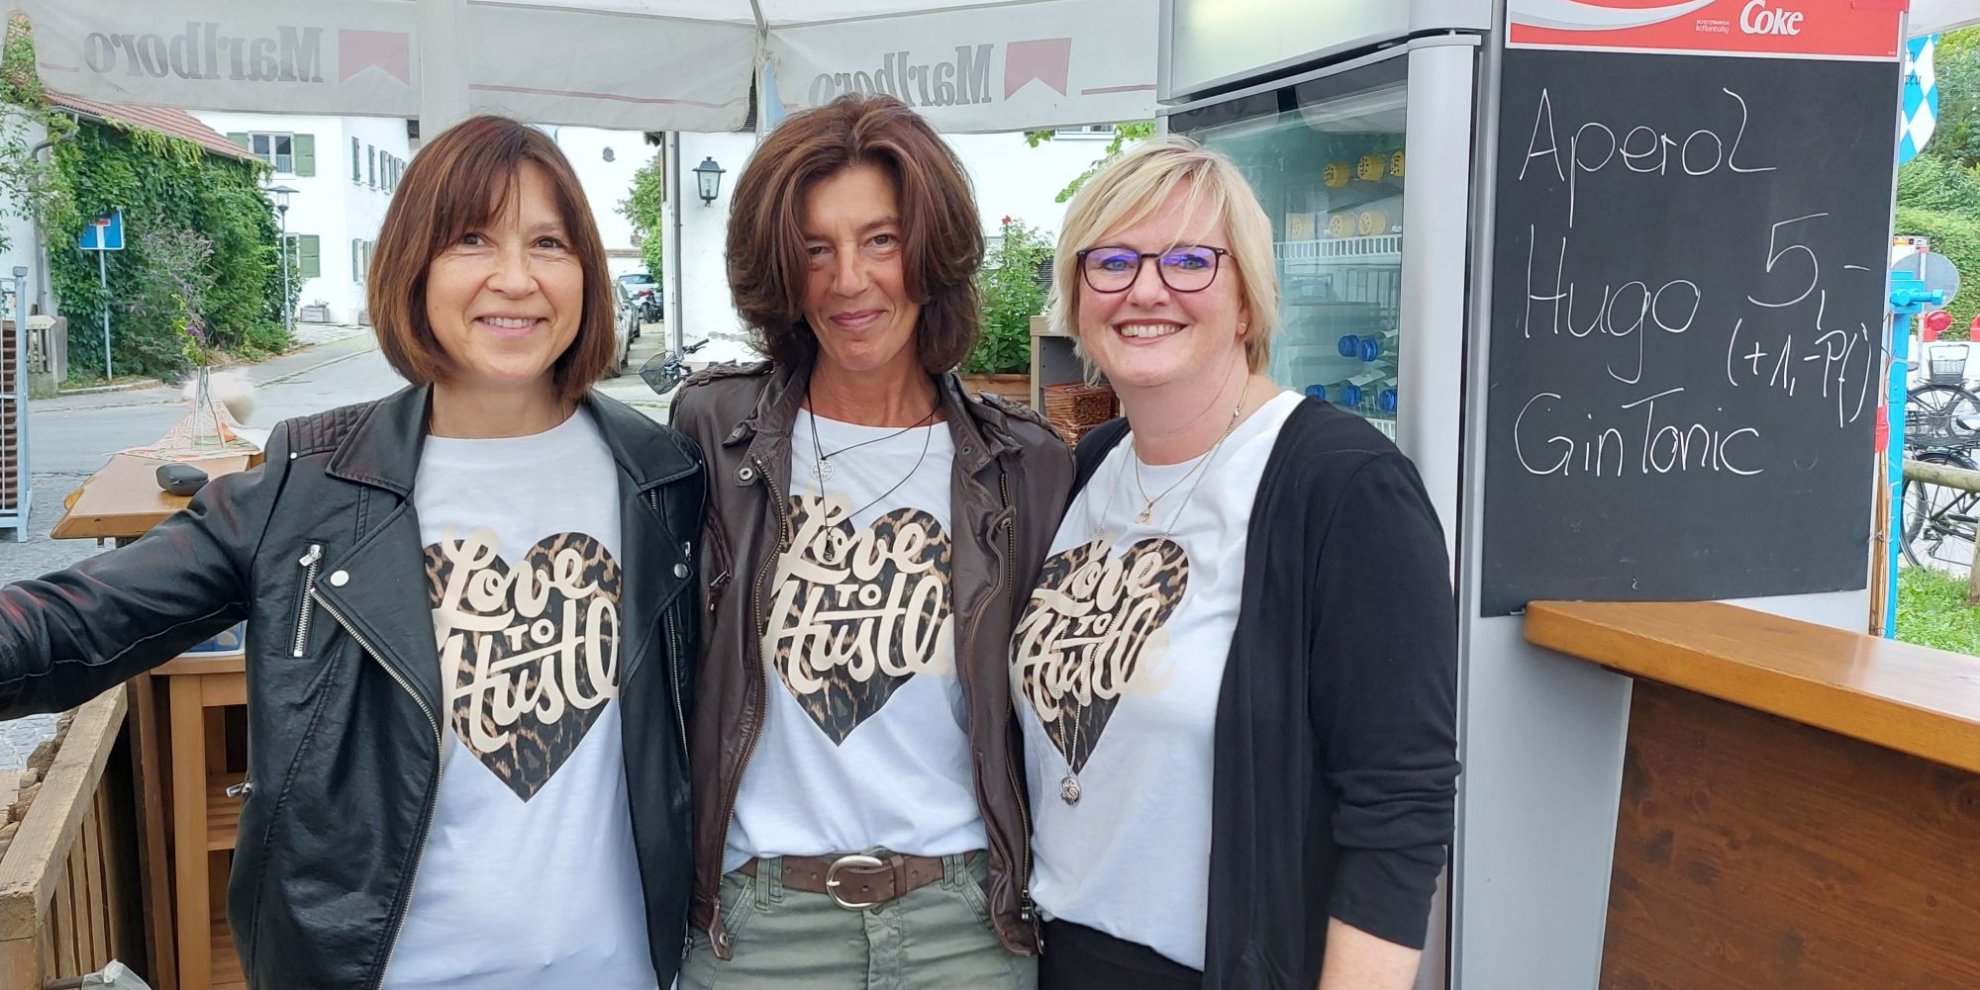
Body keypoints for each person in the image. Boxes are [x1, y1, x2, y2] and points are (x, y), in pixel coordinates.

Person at [0, 115, 704, 990]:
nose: (516, 278)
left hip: (619, 971)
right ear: (413, 265)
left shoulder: (665, 479)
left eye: (548, 243)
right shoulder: (312, 483)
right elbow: (74, 623)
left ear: (587, 273)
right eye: (472, 239)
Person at [1011, 135, 1460, 990]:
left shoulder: (1344, 488)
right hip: (1054, 957)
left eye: (1189, 261)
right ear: (1078, 297)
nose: (1146, 289)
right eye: (1111, 261)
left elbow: (1399, 808)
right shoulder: (1091, 466)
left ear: (1247, 302)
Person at [670, 93, 1071, 989]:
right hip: (757, 931)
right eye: (815, 249)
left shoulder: (1027, 466)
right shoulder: (714, 432)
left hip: (967, 931)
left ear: (931, 251)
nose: (848, 281)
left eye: (880, 240)